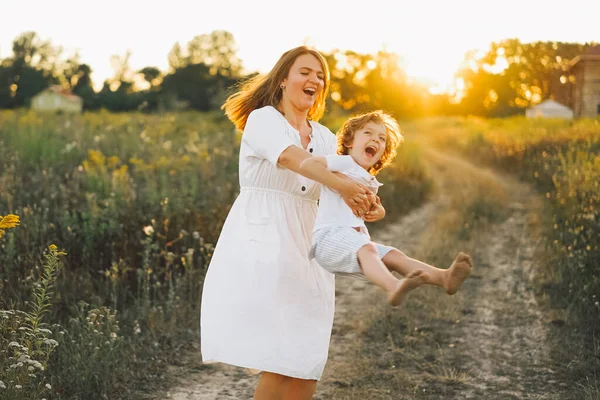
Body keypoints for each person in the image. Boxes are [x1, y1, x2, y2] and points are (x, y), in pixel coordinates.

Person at [200, 46, 379, 400]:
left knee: (307, 357)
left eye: (321, 76)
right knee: (281, 355)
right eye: (305, 71)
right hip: (265, 240)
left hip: (308, 247)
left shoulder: (326, 137)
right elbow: (293, 159)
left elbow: (345, 178)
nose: (314, 79)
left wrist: (363, 200)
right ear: (283, 79)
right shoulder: (263, 120)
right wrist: (341, 183)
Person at [300, 110, 473, 306]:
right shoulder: (343, 163)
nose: (375, 139)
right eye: (368, 133)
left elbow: (371, 206)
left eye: (381, 138)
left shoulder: (368, 178)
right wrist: (341, 185)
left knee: (394, 256)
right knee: (368, 250)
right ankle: (394, 287)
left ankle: (443, 278)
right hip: (329, 238)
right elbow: (307, 165)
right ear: (349, 142)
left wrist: (379, 211)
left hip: (353, 240)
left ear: (384, 151)